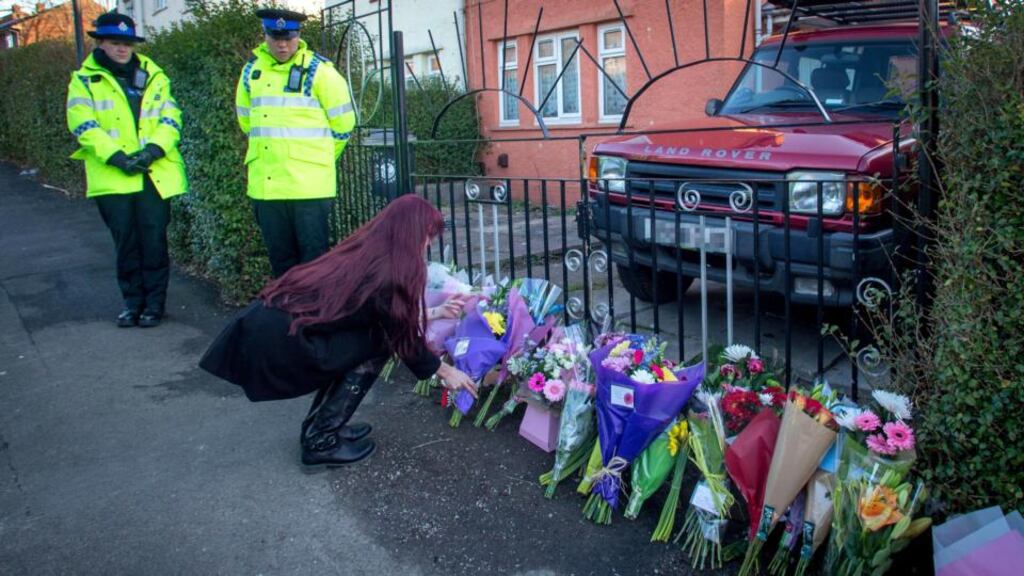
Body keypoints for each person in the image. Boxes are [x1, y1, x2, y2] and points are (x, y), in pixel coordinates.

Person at [199, 196, 476, 470]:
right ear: (411, 232)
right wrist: (447, 371)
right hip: (282, 343)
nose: (428, 244)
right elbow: (402, 339)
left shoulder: (369, 251)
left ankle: (320, 426)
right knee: (378, 344)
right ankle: (321, 440)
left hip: (272, 330)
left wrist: (436, 314)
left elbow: (382, 315)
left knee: (375, 338)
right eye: (428, 236)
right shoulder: (391, 270)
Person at [66, 12, 188, 328]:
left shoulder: (154, 75)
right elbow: (83, 124)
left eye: (128, 44)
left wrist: (152, 151)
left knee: (154, 242)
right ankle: (132, 303)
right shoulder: (84, 79)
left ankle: (155, 306)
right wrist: (118, 157)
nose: (123, 49)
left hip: (153, 173)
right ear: (101, 43)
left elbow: (170, 118)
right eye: (116, 43)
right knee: (126, 244)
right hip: (113, 175)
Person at [236, 8, 357, 278]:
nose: (282, 44)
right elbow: (247, 123)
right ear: (265, 35)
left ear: (298, 36)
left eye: (288, 38)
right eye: (275, 37)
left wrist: (318, 159)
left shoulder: (320, 72)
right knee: (280, 261)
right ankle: (286, 317)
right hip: (267, 187)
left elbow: (344, 125)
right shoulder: (250, 73)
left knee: (314, 262)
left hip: (309, 188)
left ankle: (314, 318)